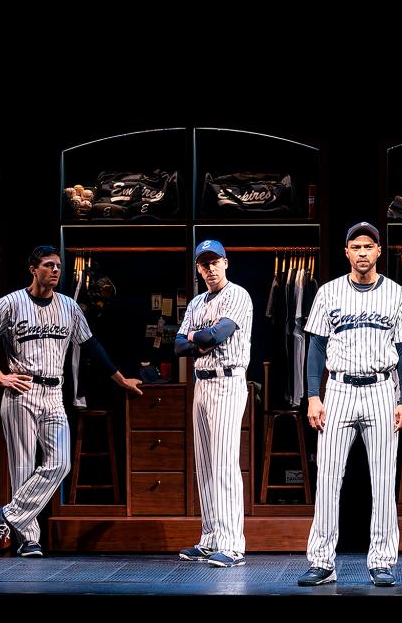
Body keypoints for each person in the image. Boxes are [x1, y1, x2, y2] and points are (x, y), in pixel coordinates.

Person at [0, 245, 143, 558]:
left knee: (60, 463)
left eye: (59, 266)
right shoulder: (11, 302)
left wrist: (121, 380)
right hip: (21, 390)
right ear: (33, 269)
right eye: (49, 265)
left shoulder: (69, 306)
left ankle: (5, 517)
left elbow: (92, 347)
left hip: (53, 393)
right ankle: (28, 540)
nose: (56, 271)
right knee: (22, 467)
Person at [297, 222, 402, 587]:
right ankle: (321, 561)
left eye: (369, 246)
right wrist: (313, 396)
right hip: (340, 389)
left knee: (383, 478)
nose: (363, 252)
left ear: (379, 251)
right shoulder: (329, 293)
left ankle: (382, 561)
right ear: (346, 252)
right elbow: (315, 346)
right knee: (329, 477)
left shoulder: (397, 294)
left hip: (382, 388)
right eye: (356, 246)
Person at [175, 239, 253, 568]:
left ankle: (233, 545)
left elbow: (212, 337)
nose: (209, 268)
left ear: (225, 262)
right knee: (205, 466)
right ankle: (210, 539)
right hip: (202, 384)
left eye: (214, 262)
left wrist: (198, 338)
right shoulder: (195, 303)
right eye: (203, 263)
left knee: (223, 465)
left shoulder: (237, 294)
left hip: (227, 381)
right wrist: (196, 339)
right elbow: (179, 345)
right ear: (197, 268)